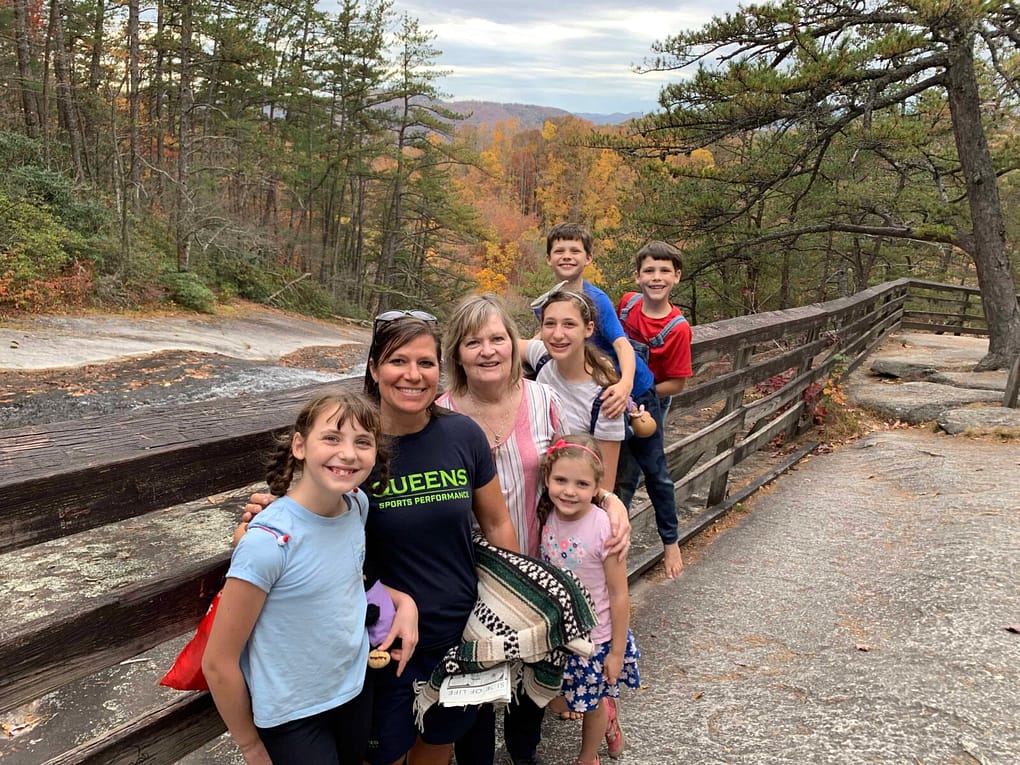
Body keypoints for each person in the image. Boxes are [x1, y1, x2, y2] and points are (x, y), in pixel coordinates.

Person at [245, 310, 519, 765]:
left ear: (440, 370)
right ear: (374, 368)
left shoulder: (462, 435)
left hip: (460, 629)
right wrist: (262, 516)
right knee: (385, 751)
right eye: (398, 361)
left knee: (437, 743)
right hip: (378, 636)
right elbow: (305, 512)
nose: (413, 375)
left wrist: (511, 606)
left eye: (426, 363)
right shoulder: (354, 450)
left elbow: (495, 524)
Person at [437, 293, 633, 765]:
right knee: (477, 673)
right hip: (473, 569)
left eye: (497, 338)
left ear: (513, 344)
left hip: (541, 560)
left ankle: (524, 752)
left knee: (534, 668)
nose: (487, 350)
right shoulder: (441, 411)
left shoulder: (542, 398)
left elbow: (573, 464)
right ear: (457, 354)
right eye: (472, 341)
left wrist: (608, 500)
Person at [203, 389, 416, 765]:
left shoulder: (356, 506)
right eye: (332, 438)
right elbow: (218, 661)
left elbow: (342, 581)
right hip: (292, 714)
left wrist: (403, 599)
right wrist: (250, 745)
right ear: (299, 446)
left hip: (352, 689)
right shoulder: (269, 543)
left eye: (362, 442)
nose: (348, 453)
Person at [539, 222, 683, 579]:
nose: (567, 257)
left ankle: (669, 541)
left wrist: (626, 388)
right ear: (549, 260)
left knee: (652, 470)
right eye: (560, 251)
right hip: (601, 389)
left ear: (588, 258)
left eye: (575, 251)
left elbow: (621, 346)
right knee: (619, 475)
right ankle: (603, 537)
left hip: (631, 391)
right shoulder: (557, 300)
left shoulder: (598, 300)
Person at [538, 435, 641, 765]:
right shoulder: (546, 516)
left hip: (596, 639)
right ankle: (605, 709)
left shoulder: (605, 529)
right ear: (546, 479)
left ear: (598, 486)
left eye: (581, 483)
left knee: (592, 703)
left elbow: (618, 593)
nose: (569, 491)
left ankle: (588, 756)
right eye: (561, 480)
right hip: (559, 634)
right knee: (558, 701)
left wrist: (616, 651)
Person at [522, 289, 624, 487]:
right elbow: (507, 346)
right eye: (550, 324)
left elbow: (604, 486)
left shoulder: (604, 399)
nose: (558, 335)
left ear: (589, 329)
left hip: (569, 505)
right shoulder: (543, 358)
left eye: (569, 324)